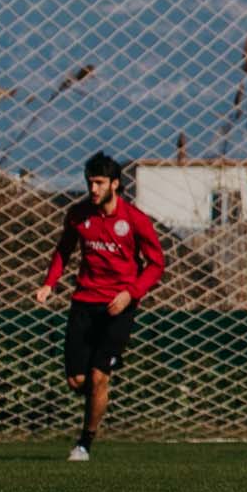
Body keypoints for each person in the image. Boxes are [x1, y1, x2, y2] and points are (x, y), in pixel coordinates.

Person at [33, 152, 166, 461]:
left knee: (97, 377)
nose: (93, 189)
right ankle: (98, 397)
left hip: (118, 307)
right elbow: (63, 251)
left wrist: (130, 294)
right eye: (90, 183)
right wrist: (49, 283)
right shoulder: (79, 215)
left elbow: (156, 264)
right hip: (83, 303)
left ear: (115, 184)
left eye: (99, 183)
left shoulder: (134, 220)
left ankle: (84, 443)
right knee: (77, 381)